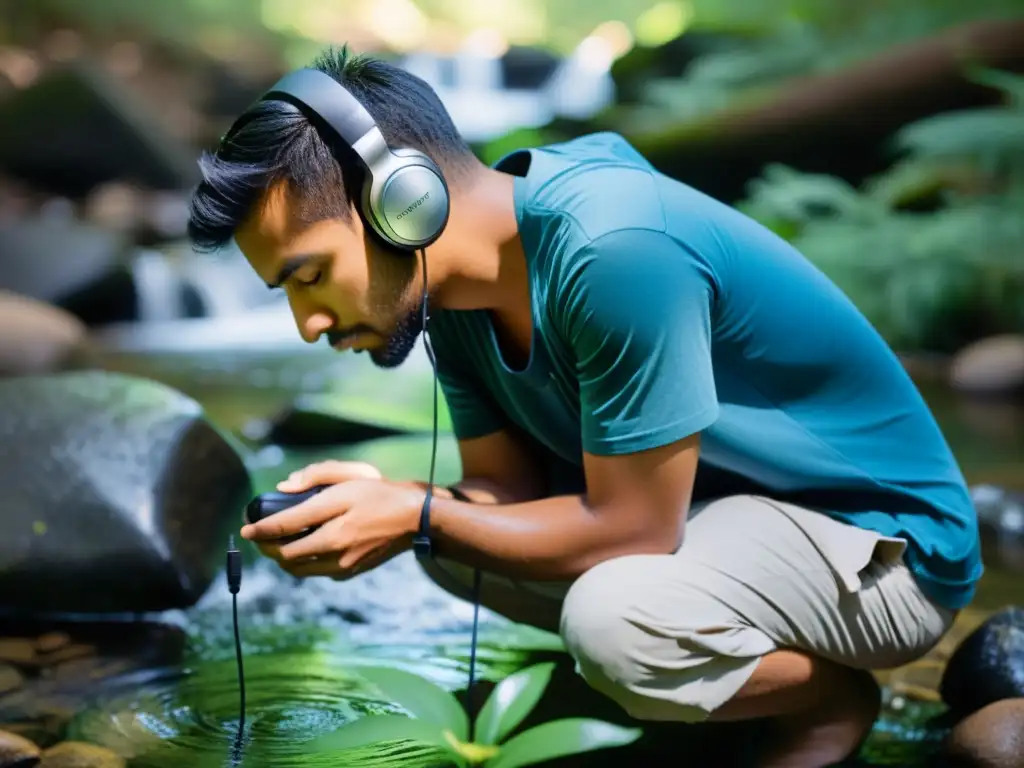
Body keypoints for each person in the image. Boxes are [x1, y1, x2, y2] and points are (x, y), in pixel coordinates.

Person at [187, 46, 982, 767]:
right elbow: (506, 497)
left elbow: (635, 529)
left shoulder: (611, 250)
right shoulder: (456, 298)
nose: (309, 325)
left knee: (614, 623)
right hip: (736, 511)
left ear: (403, 201)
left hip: (883, 547)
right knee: (452, 547)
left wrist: (419, 511)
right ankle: (718, 677)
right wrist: (380, 505)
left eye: (309, 275)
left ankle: (822, 703)